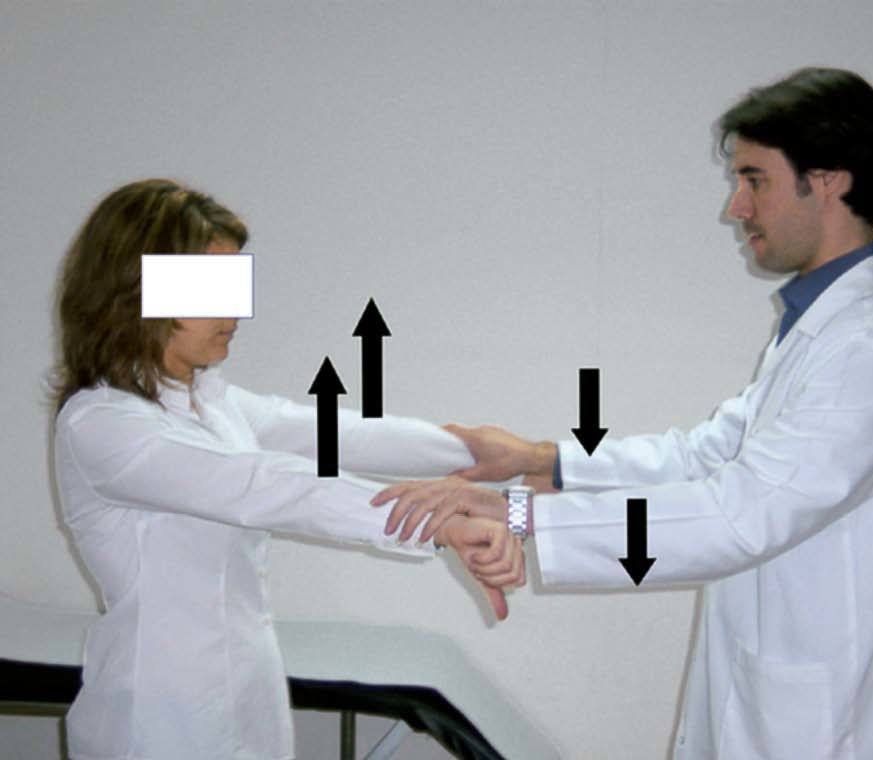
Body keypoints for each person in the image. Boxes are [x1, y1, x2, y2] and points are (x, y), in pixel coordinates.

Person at [374, 68, 873, 759]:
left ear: (829, 180)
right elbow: (706, 456)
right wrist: (541, 460)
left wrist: (517, 514)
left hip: (845, 729)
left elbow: (737, 514)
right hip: (797, 710)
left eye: (756, 181)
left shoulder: (871, 350)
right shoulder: (825, 332)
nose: (736, 208)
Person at [51, 179, 523, 760]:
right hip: (154, 720)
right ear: (134, 293)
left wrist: (473, 450)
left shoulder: (207, 402)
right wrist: (439, 521)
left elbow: (334, 434)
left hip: (250, 698)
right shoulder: (100, 424)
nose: (232, 311)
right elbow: (265, 485)